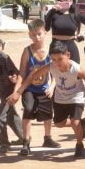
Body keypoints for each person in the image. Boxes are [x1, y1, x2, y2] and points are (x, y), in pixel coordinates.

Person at [11, 19, 60, 156]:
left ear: (45, 32)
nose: (36, 37)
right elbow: (21, 74)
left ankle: (47, 138)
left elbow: (55, 72)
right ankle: (26, 142)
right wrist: (16, 92)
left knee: (48, 113)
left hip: (45, 88)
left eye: (39, 34)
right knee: (28, 110)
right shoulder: (27, 51)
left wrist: (51, 87)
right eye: (33, 35)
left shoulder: (51, 51)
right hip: (29, 89)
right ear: (29, 35)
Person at [46, 40, 85, 159]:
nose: (57, 62)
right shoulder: (51, 66)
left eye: (60, 58)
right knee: (59, 124)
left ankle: (79, 145)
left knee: (75, 122)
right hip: (61, 96)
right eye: (54, 59)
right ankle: (81, 124)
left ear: (68, 55)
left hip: (76, 95)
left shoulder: (77, 69)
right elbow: (34, 75)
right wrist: (21, 89)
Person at [44, 0, 85, 64]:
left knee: (74, 73)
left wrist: (84, 36)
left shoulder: (76, 14)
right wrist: (51, 11)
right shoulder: (53, 13)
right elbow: (46, 28)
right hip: (56, 48)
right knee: (56, 73)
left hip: (71, 48)